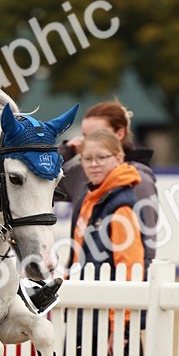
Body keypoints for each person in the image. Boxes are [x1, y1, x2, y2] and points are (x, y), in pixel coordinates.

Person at [67, 129, 146, 356]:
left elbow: (130, 269)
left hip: (108, 321)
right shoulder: (92, 198)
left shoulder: (121, 205)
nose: (94, 164)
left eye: (102, 157)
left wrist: (120, 326)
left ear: (119, 157)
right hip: (87, 314)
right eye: (87, 158)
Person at [56, 100, 159, 265]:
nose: (86, 141)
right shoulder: (82, 171)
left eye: (97, 133)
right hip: (81, 278)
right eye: (84, 135)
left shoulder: (138, 179)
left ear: (119, 134)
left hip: (118, 281)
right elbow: (37, 179)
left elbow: (146, 239)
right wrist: (65, 151)